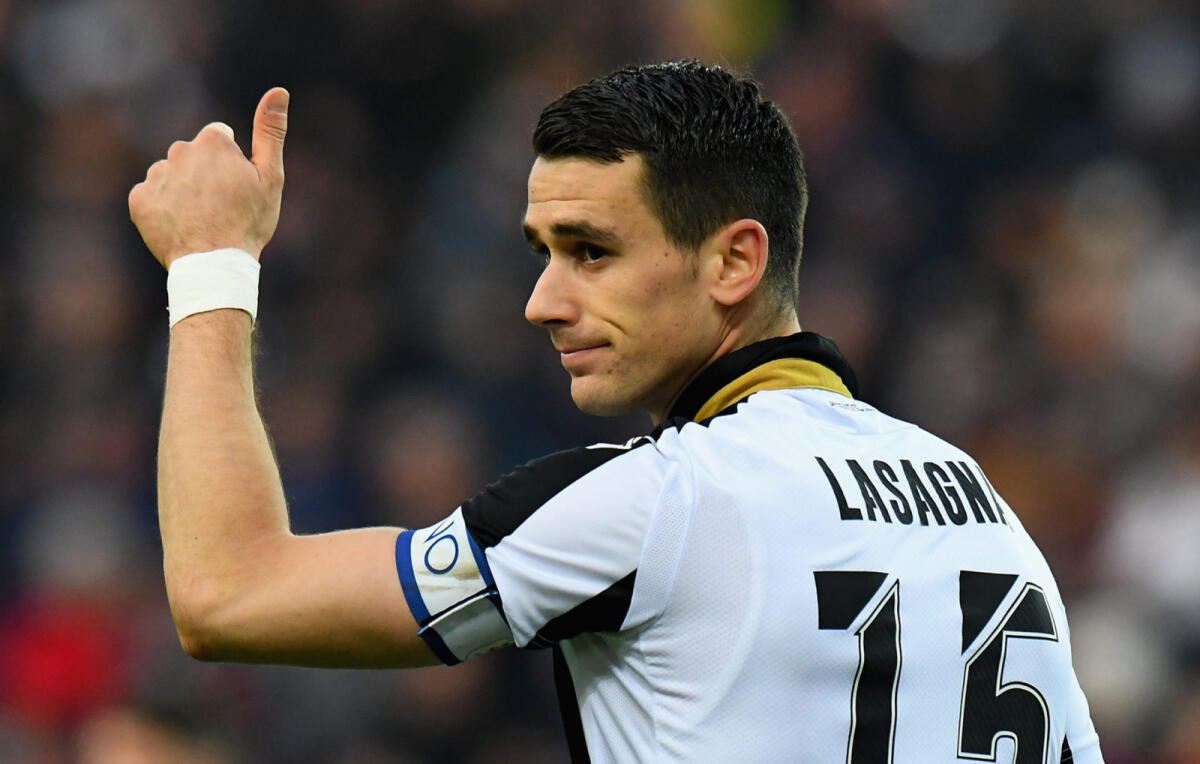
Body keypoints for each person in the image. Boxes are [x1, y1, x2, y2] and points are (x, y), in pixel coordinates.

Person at [129, 61, 1103, 763]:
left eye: (591, 251)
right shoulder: (978, 503)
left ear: (734, 260)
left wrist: (212, 263)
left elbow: (227, 592)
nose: (543, 300)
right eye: (542, 250)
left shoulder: (651, 502)